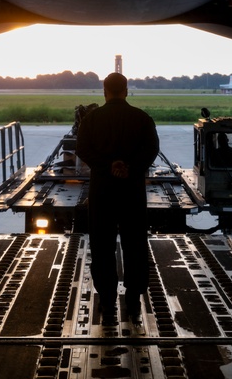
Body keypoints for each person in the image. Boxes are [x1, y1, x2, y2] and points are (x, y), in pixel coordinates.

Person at [76, 72, 160, 324]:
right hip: (132, 190)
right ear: (126, 90)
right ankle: (133, 299)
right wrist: (130, 168)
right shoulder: (142, 118)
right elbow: (151, 149)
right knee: (135, 243)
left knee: (102, 245)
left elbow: (82, 149)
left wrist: (107, 166)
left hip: (102, 190)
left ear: (105, 90)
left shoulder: (91, 119)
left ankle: (108, 300)